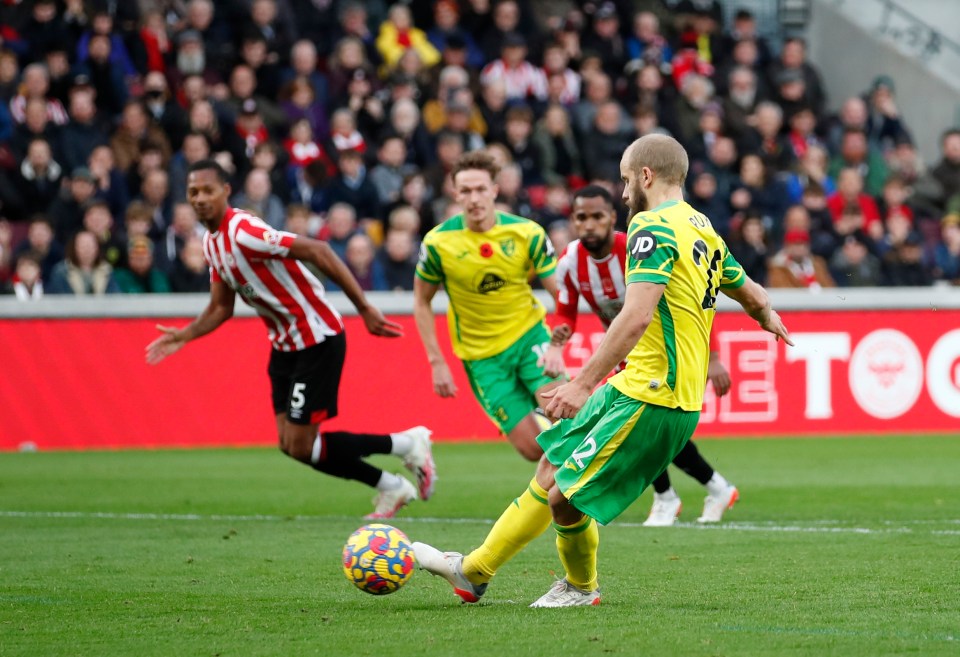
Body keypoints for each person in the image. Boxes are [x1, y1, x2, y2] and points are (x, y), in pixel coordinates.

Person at [412, 135, 792, 607]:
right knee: (551, 465)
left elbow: (634, 318)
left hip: (655, 395)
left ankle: (579, 587)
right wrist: (767, 316)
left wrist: (580, 384)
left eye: (626, 177)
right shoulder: (702, 226)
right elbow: (747, 287)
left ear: (646, 176)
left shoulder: (649, 228)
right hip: (635, 387)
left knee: (564, 500)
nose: (624, 189)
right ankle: (473, 572)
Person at [145, 159, 436, 520]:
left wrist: (364, 307)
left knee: (302, 443)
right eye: (193, 192)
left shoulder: (244, 230)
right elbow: (221, 307)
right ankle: (395, 477)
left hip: (317, 338)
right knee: (291, 445)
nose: (200, 198)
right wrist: (184, 335)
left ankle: (405, 450)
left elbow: (320, 250)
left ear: (225, 191)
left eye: (208, 190)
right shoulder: (212, 243)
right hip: (284, 345)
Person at [539, 184, 739, 527]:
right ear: (572, 220)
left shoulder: (638, 246)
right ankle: (693, 492)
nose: (589, 224)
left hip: (667, 354)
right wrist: (557, 342)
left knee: (647, 431)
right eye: (581, 217)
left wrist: (715, 356)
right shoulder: (570, 262)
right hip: (626, 358)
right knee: (641, 432)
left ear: (612, 217)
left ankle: (676, 496)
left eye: (597, 216)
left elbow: (692, 301)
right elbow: (565, 314)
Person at [413, 150, 563, 461]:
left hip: (529, 338)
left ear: (495, 190)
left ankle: (580, 502)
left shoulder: (527, 233)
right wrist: (436, 361)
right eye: (465, 191)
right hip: (482, 358)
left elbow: (561, 295)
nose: (474, 198)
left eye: (481, 189)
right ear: (455, 194)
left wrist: (558, 345)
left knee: (566, 413)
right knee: (533, 449)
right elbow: (421, 301)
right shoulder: (438, 243)